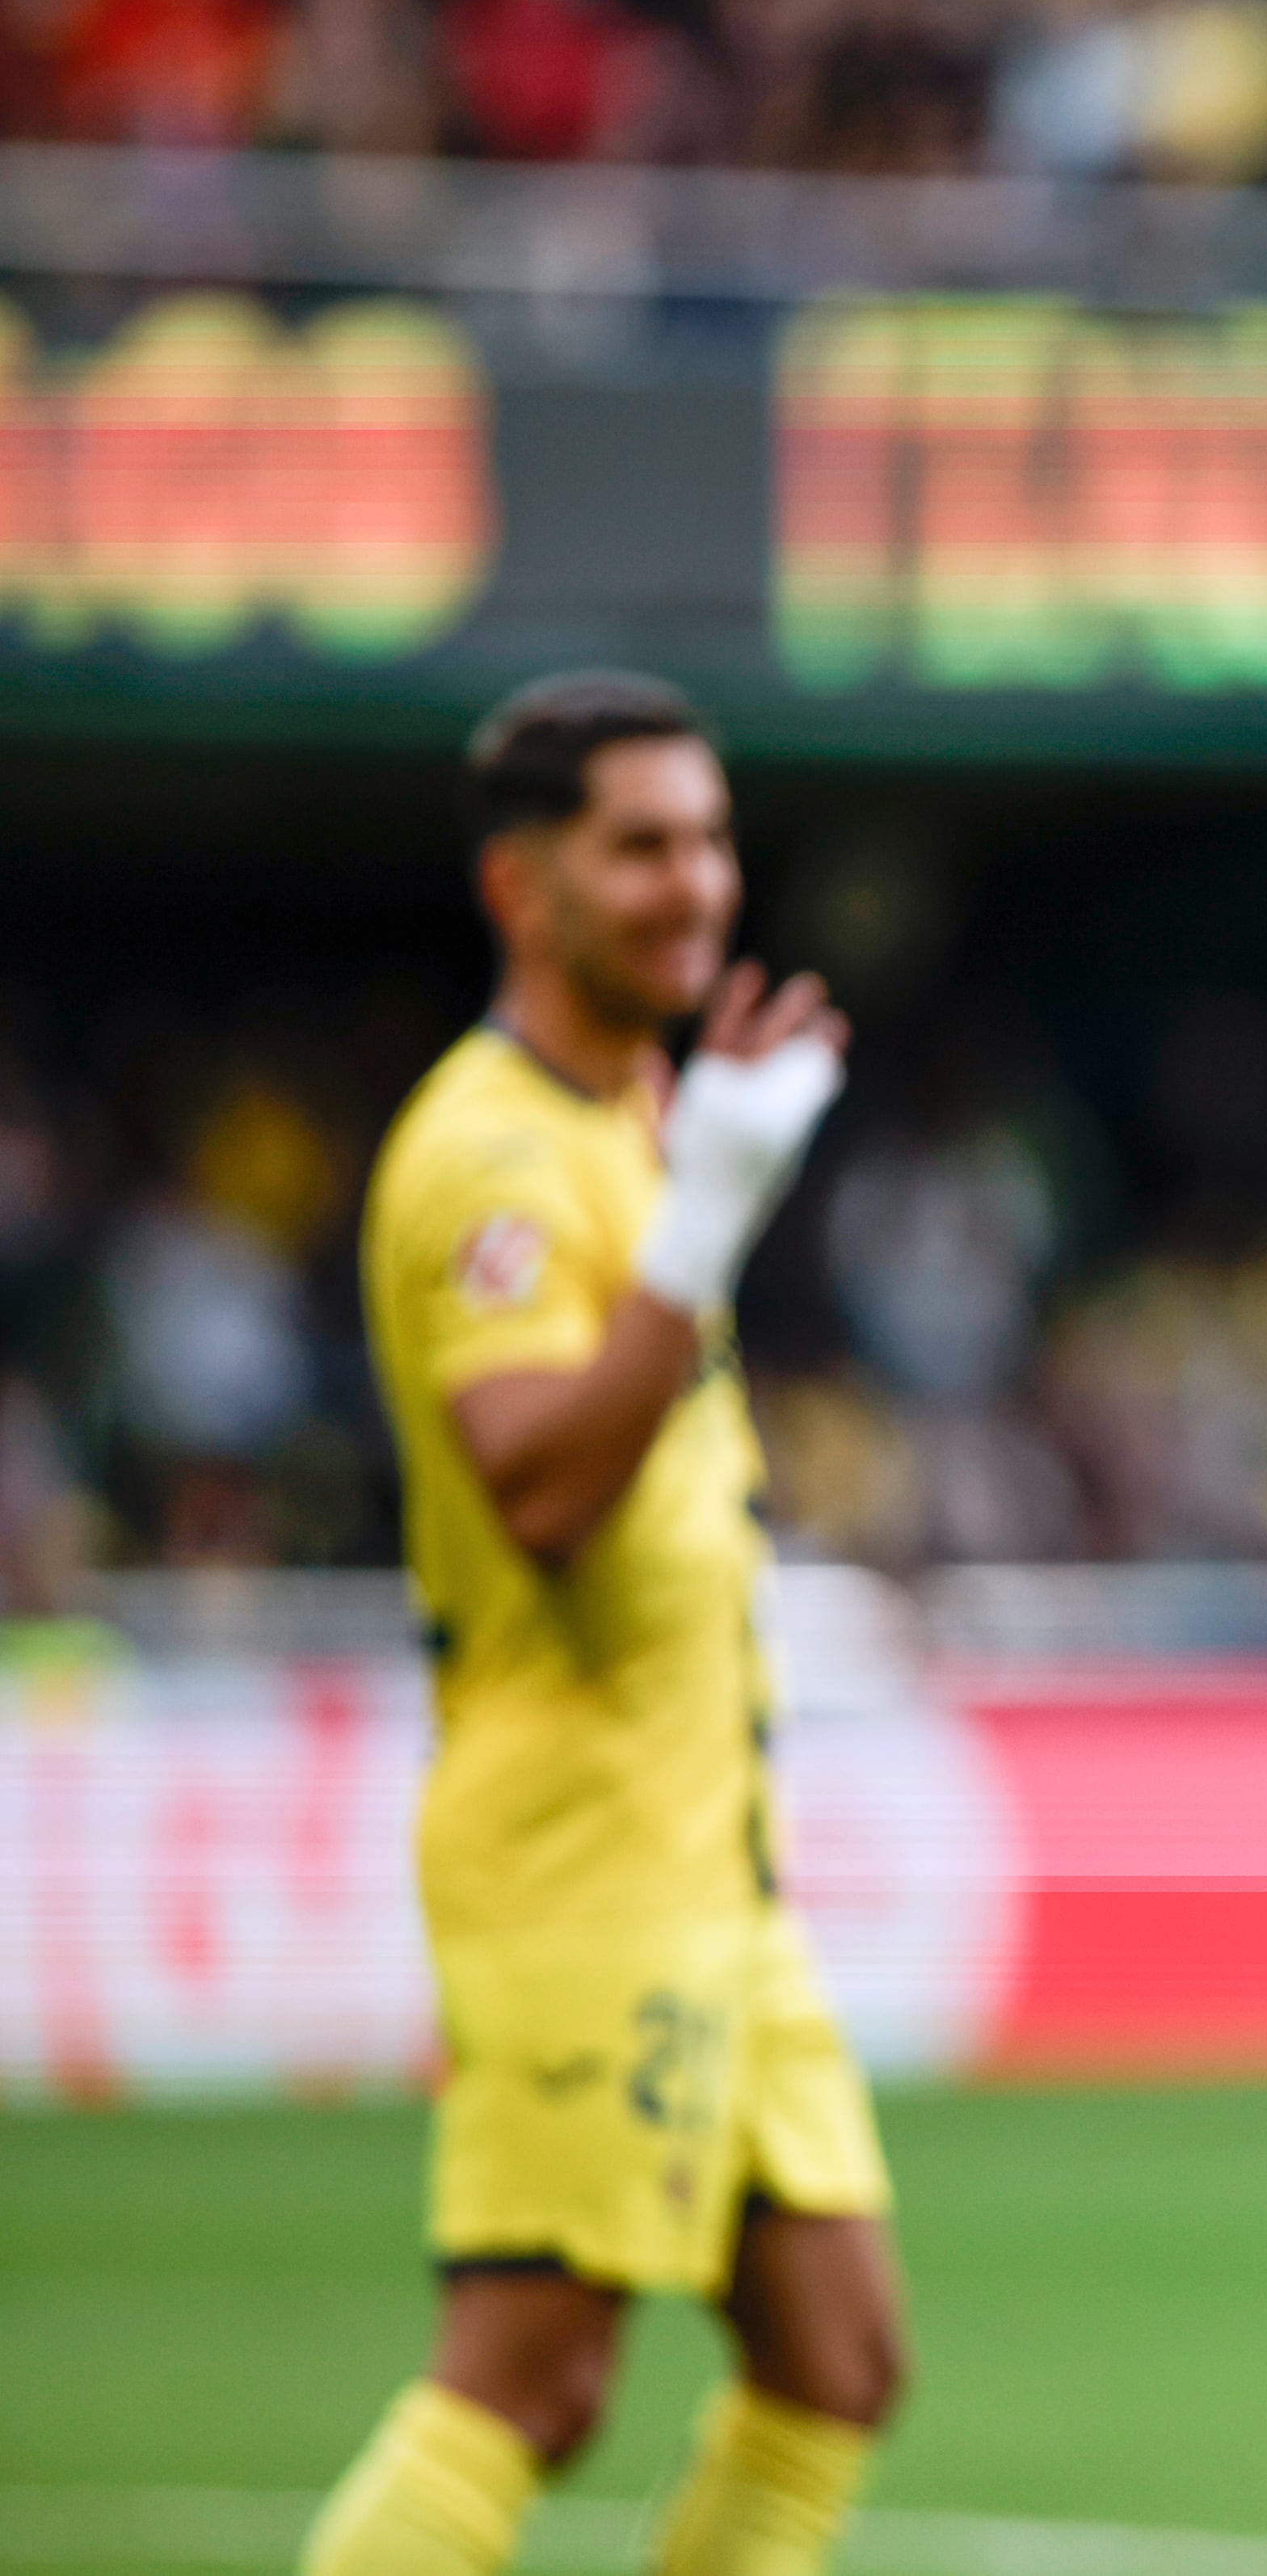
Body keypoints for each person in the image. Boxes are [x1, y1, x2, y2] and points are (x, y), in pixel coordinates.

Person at [305, 671, 899, 2576]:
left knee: (834, 2358)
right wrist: (705, 1211)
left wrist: (695, 1169)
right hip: (576, 1861)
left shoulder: (644, 1109)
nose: (696, 883)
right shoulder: (485, 1153)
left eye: (709, 839)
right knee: (533, 2378)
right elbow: (543, 1492)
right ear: (520, 883)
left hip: (709, 1858)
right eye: (638, 845)